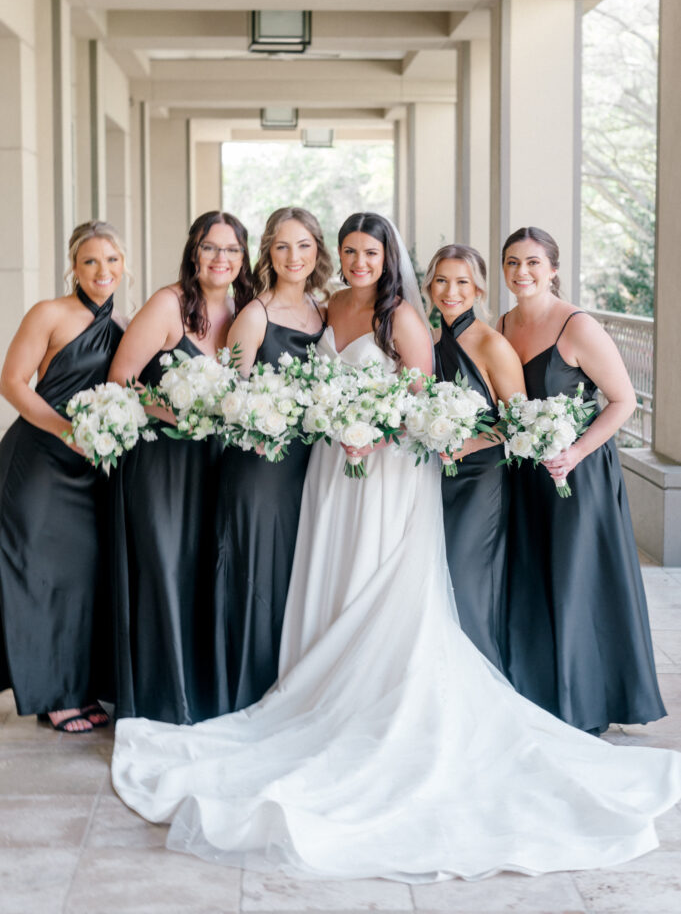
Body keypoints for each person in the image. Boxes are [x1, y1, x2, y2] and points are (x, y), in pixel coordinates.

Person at [112, 214, 681, 882]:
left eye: (370, 252)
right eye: (349, 251)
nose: (359, 262)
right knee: (333, 574)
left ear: (388, 259)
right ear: (337, 257)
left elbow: (416, 396)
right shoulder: (325, 310)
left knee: (384, 581)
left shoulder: (402, 317)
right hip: (330, 466)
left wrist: (372, 434)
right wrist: (334, 421)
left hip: (385, 471)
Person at [498, 225, 665, 734]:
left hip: (579, 473)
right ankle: (540, 693)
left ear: (552, 268)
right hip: (526, 476)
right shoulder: (501, 324)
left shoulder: (577, 326)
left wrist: (573, 453)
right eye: (512, 263)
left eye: (532, 263)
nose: (522, 272)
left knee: (575, 580)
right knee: (532, 577)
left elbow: (623, 402)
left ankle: (586, 701)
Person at [108, 211, 252, 724]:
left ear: (243, 256)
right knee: (164, 568)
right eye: (210, 248)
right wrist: (179, 414)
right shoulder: (167, 305)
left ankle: (201, 694)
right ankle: (161, 698)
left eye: (231, 249)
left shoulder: (245, 310)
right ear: (194, 252)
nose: (221, 259)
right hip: (163, 462)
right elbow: (122, 378)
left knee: (203, 570)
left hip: (219, 464)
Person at [0, 220, 126, 733]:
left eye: (112, 260)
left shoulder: (123, 327)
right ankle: (51, 693)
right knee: (39, 576)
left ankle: (77, 686)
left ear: (124, 266)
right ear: (73, 266)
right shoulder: (49, 313)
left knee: (79, 579)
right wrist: (63, 428)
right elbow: (11, 382)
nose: (103, 271)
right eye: (91, 261)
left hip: (87, 470)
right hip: (37, 463)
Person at [214, 207, 332, 711]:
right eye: (282, 246)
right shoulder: (254, 314)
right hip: (259, 467)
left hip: (313, 466)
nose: (293, 256)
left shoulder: (326, 314)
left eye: (303, 245)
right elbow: (226, 398)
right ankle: (247, 687)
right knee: (258, 568)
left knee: (299, 570)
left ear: (317, 252)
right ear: (268, 253)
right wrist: (255, 428)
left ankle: (293, 684)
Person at [423, 244, 524, 670]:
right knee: (437, 579)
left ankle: (485, 677)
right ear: (429, 286)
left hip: (481, 477)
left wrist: (466, 444)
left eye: (462, 281)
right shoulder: (427, 342)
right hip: (433, 478)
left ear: (479, 288)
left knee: (467, 579)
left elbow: (520, 421)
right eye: (442, 280)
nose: (451, 291)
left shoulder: (492, 344)